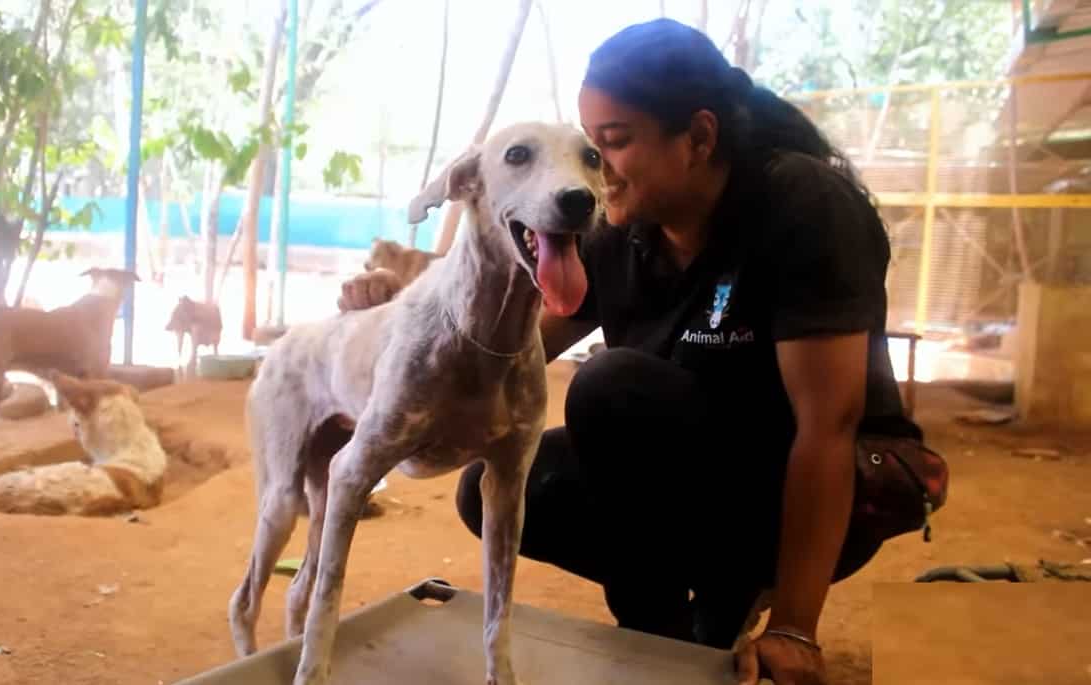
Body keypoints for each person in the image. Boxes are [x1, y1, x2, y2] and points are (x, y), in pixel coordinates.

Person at [340, 18, 923, 685]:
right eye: (589, 148)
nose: (591, 173)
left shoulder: (802, 206)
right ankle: (663, 636)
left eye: (608, 146)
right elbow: (501, 348)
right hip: (693, 473)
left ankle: (737, 595)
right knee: (497, 485)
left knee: (611, 389)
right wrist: (401, 317)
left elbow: (830, 425)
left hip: (826, 485)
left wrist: (795, 625)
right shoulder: (622, 231)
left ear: (699, 138)